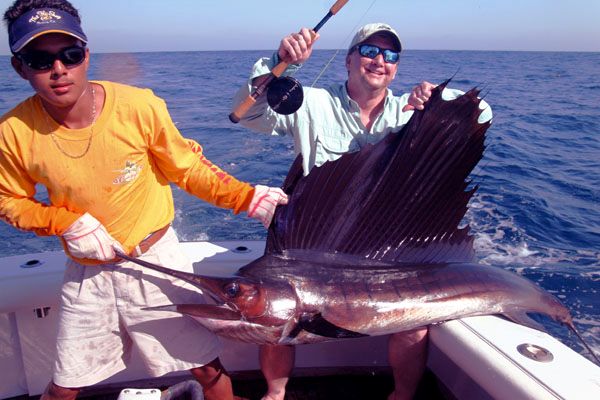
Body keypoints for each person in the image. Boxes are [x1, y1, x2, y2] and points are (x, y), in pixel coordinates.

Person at [0, 1, 288, 400]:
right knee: (64, 387)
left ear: (86, 53)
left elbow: (187, 168)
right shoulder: (12, 131)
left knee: (207, 370)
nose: (59, 69)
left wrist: (247, 198)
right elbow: (10, 199)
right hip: (88, 273)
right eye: (39, 59)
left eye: (69, 54)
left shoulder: (140, 106)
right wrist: (64, 222)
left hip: (156, 261)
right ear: (19, 67)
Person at [232, 23, 492, 400]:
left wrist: (439, 97)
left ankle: (402, 394)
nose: (379, 61)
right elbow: (249, 115)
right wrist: (279, 65)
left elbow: (482, 113)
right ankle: (275, 392)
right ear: (349, 59)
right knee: (273, 308)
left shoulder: (408, 113)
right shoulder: (314, 103)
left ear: (397, 67)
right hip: (313, 243)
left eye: (390, 55)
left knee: (414, 324)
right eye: (370, 51)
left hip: (378, 247)